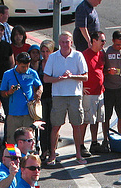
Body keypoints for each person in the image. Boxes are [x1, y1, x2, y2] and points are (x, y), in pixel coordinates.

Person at [43, 32, 88, 165]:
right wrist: (59, 79)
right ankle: (52, 154)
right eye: (62, 42)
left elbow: (85, 76)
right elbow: (46, 78)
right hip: (58, 96)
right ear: (59, 43)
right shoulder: (53, 57)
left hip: (75, 95)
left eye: (67, 42)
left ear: (71, 43)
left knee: (77, 125)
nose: (64, 44)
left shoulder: (78, 55)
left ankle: (78, 155)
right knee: (56, 126)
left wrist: (72, 76)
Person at [1, 51, 42, 140]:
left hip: (28, 113)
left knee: (28, 140)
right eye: (23, 66)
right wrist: (9, 92)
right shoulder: (7, 74)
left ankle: (27, 154)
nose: (25, 69)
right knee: (11, 140)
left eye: (27, 66)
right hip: (13, 114)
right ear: (17, 63)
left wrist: (39, 92)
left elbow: (39, 85)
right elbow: (2, 93)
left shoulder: (32, 73)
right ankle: (11, 154)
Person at [102, 30, 121, 138]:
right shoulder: (106, 52)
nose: (119, 46)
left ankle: (120, 136)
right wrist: (108, 71)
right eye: (117, 44)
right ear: (113, 41)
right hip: (108, 87)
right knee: (106, 115)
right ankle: (106, 138)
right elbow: (100, 69)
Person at [82, 31, 107, 155]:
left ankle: (94, 142)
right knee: (87, 119)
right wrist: (81, 88)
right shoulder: (84, 55)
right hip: (89, 93)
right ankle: (81, 145)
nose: (104, 43)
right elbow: (77, 72)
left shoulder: (102, 54)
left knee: (97, 119)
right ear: (94, 41)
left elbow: (102, 71)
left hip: (100, 92)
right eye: (102, 40)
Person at [37, 40, 55, 160]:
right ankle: (44, 150)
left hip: (54, 96)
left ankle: (52, 149)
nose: (45, 54)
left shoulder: (55, 63)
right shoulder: (38, 64)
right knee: (43, 124)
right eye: (43, 51)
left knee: (53, 124)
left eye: (47, 51)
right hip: (42, 99)